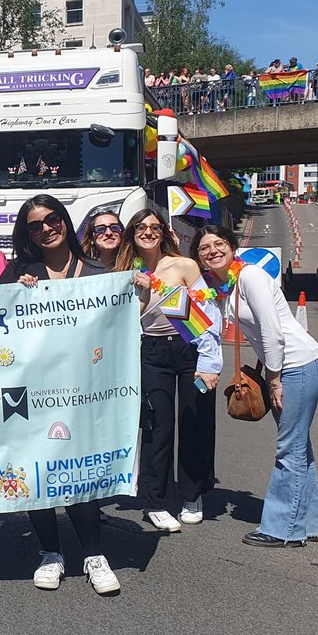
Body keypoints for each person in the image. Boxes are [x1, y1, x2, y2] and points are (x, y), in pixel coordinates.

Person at [0, 195, 120, 594]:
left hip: (84, 390)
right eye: (35, 226)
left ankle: (94, 555)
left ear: (65, 220)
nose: (46, 229)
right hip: (32, 390)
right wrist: (13, 294)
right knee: (38, 468)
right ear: (27, 234)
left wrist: (136, 291)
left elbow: (118, 328)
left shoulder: (99, 271)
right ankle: (50, 553)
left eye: (52, 219)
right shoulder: (19, 272)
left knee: (80, 469)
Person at [193, 224, 318, 547]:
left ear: (232, 246)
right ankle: (309, 524)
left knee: (289, 449)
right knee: (299, 447)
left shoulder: (250, 276)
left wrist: (274, 379)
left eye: (219, 244)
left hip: (297, 366)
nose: (213, 251)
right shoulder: (227, 284)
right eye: (204, 248)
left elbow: (272, 331)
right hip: (291, 366)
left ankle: (282, 530)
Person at [118, 209, 222, 535]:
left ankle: (192, 494)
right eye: (141, 227)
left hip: (190, 349)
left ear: (163, 232)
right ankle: (156, 501)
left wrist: (209, 364)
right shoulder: (124, 271)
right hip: (151, 352)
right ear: (133, 233)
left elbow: (207, 311)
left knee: (195, 421)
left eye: (154, 227)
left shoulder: (184, 265)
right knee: (156, 426)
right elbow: (120, 320)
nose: (148, 232)